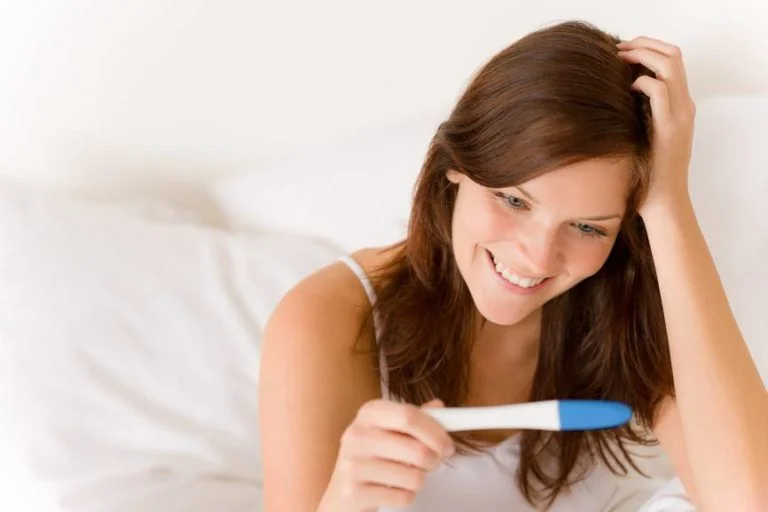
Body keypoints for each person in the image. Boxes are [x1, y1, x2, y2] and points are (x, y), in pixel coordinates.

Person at [259, 20, 768, 511]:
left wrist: (667, 200)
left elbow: (751, 502)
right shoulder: (327, 318)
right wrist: (345, 502)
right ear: (455, 166)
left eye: (588, 227)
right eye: (514, 201)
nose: (538, 257)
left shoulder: (623, 297)